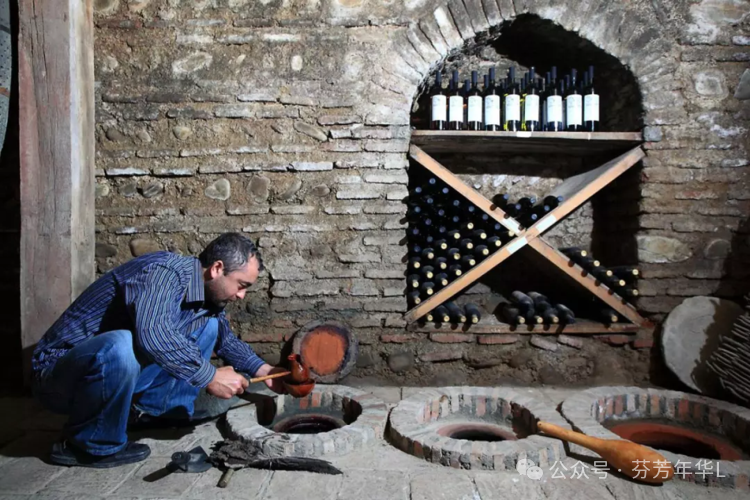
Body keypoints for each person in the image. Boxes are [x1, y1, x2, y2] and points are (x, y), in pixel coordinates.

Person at [31, 232, 284, 468]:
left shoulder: (207, 295)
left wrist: (265, 370)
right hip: (59, 378)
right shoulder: (163, 272)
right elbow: (153, 334)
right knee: (120, 343)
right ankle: (88, 445)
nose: (241, 295)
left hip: (111, 374)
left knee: (209, 326)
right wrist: (210, 376)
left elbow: (225, 341)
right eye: (241, 285)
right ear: (217, 268)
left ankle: (155, 412)